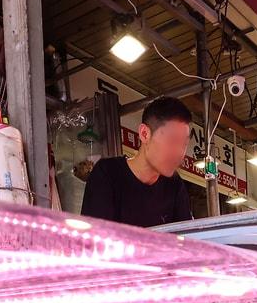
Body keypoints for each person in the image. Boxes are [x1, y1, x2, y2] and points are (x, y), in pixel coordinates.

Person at [80, 96, 193, 227]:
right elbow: (94, 238)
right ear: (144, 134)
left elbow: (186, 240)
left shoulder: (174, 185)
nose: (179, 152)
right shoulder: (108, 174)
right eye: (172, 141)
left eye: (183, 144)